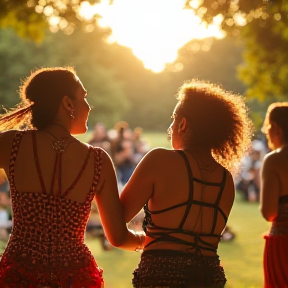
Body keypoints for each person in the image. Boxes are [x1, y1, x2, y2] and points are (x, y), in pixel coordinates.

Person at [0, 67, 144, 287]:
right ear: (68, 104)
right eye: (84, 98)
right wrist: (150, 240)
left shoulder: (11, 144)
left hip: (19, 273)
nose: (89, 106)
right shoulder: (97, 160)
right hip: (75, 277)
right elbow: (118, 237)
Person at [120, 79, 253, 288]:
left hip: (162, 275)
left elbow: (116, 232)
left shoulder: (160, 160)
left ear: (183, 124)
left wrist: (142, 241)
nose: (170, 126)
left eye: (174, 119)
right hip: (209, 278)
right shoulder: (225, 180)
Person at [260, 102, 288, 287]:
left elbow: (268, 211)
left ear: (276, 128)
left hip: (283, 244)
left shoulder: (275, 160)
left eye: (267, 127)